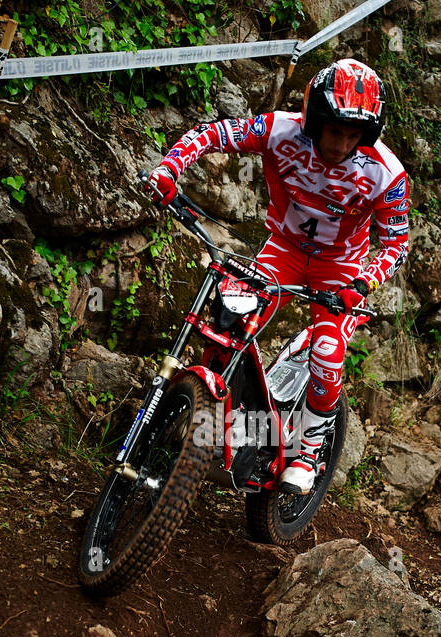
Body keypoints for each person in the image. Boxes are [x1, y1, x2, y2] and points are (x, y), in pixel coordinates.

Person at [144, 57, 411, 494]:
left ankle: (307, 451)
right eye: (334, 130)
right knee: (230, 315)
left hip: (340, 270)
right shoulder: (280, 129)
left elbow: (395, 243)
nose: (342, 144)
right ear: (315, 118)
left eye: (353, 135)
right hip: (282, 251)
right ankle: (217, 418)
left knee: (327, 350)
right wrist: (169, 168)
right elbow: (215, 133)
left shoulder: (387, 173)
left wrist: (363, 283)